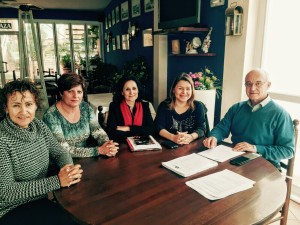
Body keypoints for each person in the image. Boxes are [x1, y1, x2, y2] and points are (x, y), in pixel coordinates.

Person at [0, 80, 83, 225]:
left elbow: (60, 153)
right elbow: (7, 192)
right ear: (6, 108)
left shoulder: (39, 126)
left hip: (40, 201)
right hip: (10, 209)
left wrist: (68, 170)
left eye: (29, 104)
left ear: (36, 105)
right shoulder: (2, 139)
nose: (24, 111)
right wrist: (57, 181)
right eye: (16, 105)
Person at [203, 68, 294, 169]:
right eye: (248, 84)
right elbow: (221, 128)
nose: (253, 88)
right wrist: (214, 137)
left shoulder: (280, 114)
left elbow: (288, 150)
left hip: (266, 166)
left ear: (268, 85)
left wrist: (255, 148)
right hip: (235, 159)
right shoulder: (236, 108)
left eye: (258, 83)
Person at [43, 73, 119, 158]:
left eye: (79, 92)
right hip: (63, 164)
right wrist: (98, 150)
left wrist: (107, 145)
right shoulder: (51, 115)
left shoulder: (85, 107)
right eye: (70, 91)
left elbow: (97, 130)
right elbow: (62, 149)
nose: (75, 96)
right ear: (61, 93)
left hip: (87, 159)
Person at [155, 73, 207, 145]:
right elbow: (158, 127)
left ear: (192, 91)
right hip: (168, 147)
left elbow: (202, 128)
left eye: (188, 89)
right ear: (173, 90)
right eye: (180, 88)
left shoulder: (198, 106)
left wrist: (191, 137)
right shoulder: (164, 106)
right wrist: (173, 137)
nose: (184, 92)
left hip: (191, 147)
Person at [106, 76, 155, 140]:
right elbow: (112, 133)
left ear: (138, 90)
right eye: (127, 89)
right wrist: (140, 131)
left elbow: (151, 130)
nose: (131, 92)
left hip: (142, 145)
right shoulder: (114, 106)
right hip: (121, 145)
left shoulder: (145, 106)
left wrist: (128, 128)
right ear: (122, 92)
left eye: (134, 88)